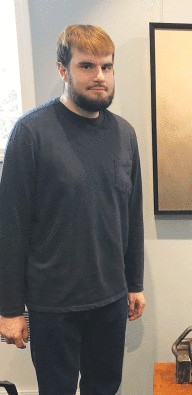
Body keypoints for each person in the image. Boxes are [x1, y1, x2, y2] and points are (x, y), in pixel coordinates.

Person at [0, 25, 145, 395]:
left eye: (107, 67)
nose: (100, 76)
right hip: (53, 304)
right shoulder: (31, 133)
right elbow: (10, 226)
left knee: (104, 389)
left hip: (110, 299)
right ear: (63, 70)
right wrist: (10, 308)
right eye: (87, 66)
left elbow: (131, 216)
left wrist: (135, 283)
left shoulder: (125, 135)